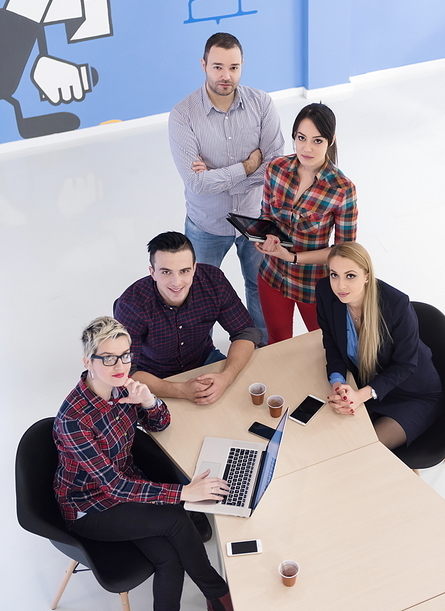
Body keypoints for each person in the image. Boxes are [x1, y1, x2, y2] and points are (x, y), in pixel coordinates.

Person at [53, 316, 233, 611]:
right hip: (89, 507)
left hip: (126, 488)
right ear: (88, 361)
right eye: (108, 359)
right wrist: (183, 493)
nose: (120, 366)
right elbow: (113, 486)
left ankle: (216, 597)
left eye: (125, 356)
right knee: (176, 518)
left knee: (169, 560)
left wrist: (149, 401)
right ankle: (220, 594)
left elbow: (159, 424)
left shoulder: (122, 387)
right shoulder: (74, 421)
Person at [168, 32, 284, 344]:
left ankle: (262, 347)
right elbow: (196, 183)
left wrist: (218, 175)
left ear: (242, 65)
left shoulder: (262, 104)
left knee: (259, 288)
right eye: (218, 67)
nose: (226, 75)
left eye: (233, 67)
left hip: (254, 218)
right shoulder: (183, 115)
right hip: (206, 224)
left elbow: (274, 168)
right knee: (199, 297)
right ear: (203, 64)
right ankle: (198, 352)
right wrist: (247, 166)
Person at [316, 242, 443, 450]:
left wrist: (361, 395)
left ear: (367, 276)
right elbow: (331, 341)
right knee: (330, 440)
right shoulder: (325, 292)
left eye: (350, 275)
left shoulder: (396, 304)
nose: (340, 286)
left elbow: (404, 365)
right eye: (334, 275)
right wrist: (338, 382)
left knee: (364, 452)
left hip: (411, 392)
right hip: (365, 382)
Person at [114, 231, 261, 404]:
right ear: (152, 272)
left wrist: (226, 377)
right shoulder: (131, 304)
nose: (177, 282)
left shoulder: (213, 281)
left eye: (184, 271)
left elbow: (245, 332)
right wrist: (180, 390)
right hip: (153, 376)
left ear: (194, 268)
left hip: (204, 359)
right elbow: (126, 369)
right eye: (166, 272)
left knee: (247, 398)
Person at [255, 102, 357, 344]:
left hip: (313, 285)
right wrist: (264, 237)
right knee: (277, 342)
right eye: (301, 138)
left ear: (331, 140)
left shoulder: (342, 189)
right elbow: (265, 216)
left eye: (317, 140)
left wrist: (292, 257)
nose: (307, 148)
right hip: (272, 276)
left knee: (324, 344)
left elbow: (344, 253)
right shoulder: (276, 168)